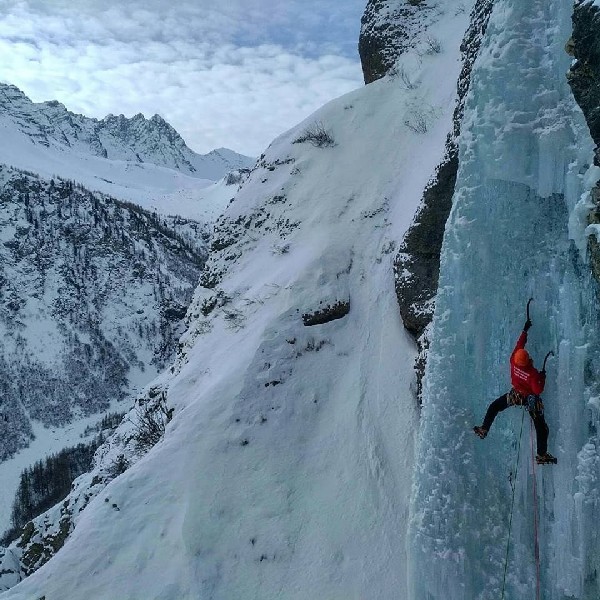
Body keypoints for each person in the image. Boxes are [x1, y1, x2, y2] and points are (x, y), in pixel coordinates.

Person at [473, 317, 557, 465]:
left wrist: (525, 330)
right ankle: (542, 454)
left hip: (516, 394)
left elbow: (519, 344)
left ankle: (484, 428)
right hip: (530, 398)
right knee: (541, 427)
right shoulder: (532, 373)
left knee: (495, 406)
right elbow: (538, 390)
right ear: (528, 359)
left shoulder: (513, 359)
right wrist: (542, 377)